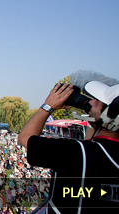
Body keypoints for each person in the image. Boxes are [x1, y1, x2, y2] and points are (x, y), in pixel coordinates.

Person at [18, 82, 119, 213]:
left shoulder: (77, 153)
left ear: (109, 116)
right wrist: (94, 119)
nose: (91, 102)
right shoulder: (94, 153)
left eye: (97, 102)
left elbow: (25, 137)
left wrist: (48, 106)